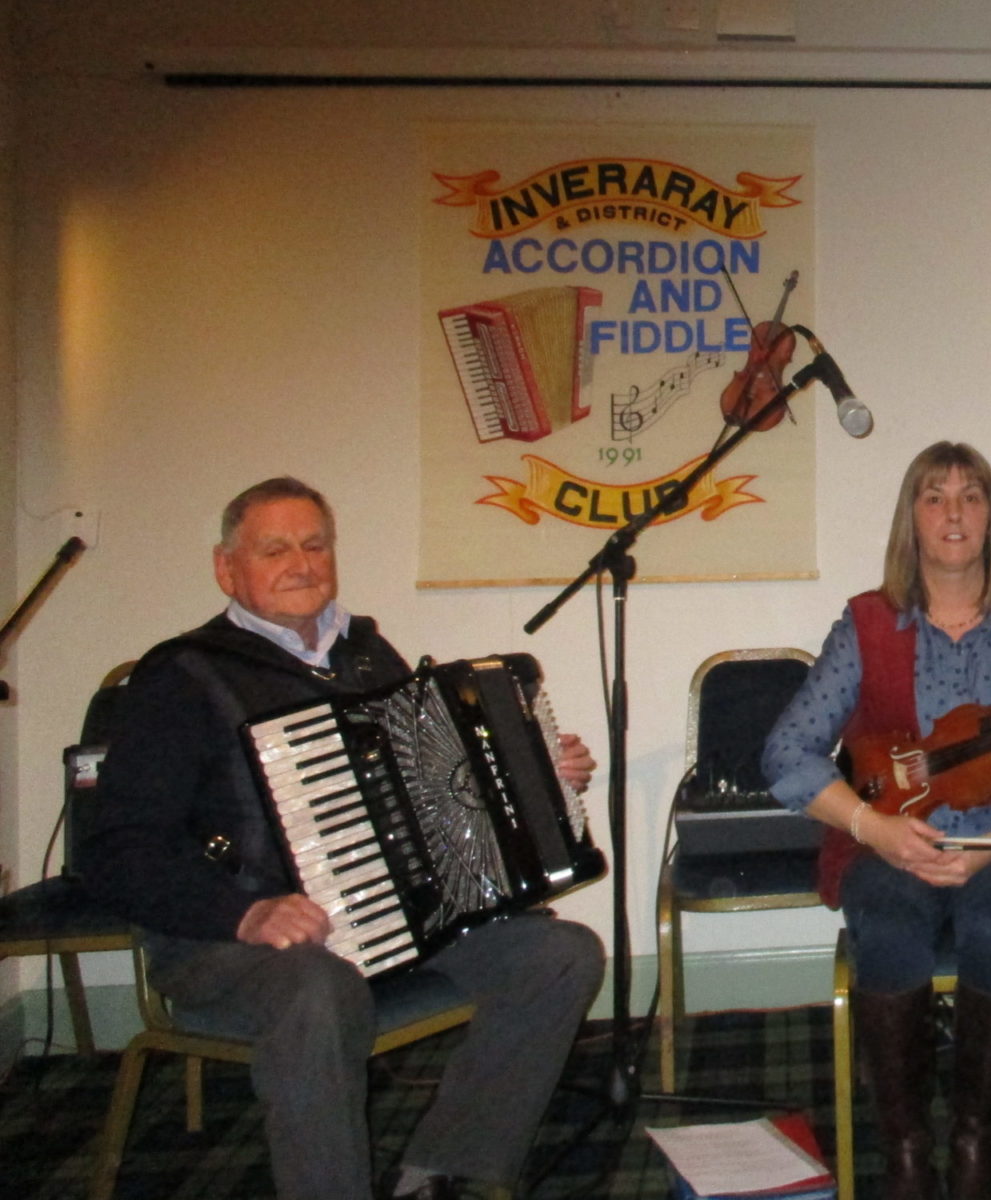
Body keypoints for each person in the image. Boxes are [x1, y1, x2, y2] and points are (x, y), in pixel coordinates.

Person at [84, 478, 605, 1200]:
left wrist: (538, 778)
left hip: (389, 923)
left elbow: (434, 804)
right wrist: (246, 913)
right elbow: (115, 850)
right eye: (275, 549)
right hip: (229, 943)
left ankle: (442, 1168)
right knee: (316, 987)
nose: (300, 563)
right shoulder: (182, 679)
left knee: (559, 953)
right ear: (226, 568)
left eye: (313, 544)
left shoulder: (367, 655)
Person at [762, 441, 991, 1200]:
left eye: (971, 496)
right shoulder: (867, 624)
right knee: (890, 931)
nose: (953, 513)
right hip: (889, 843)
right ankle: (906, 1149)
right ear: (911, 517)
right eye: (935, 496)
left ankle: (976, 1142)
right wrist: (874, 831)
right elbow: (786, 751)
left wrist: (989, 847)